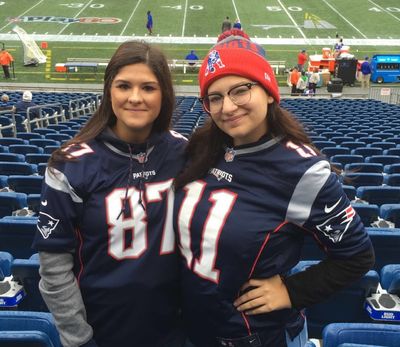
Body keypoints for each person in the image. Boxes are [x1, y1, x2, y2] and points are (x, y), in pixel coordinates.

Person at [173, 30, 375, 347]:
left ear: (268, 91)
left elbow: (356, 256)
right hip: (192, 330)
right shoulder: (201, 148)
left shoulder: (302, 171)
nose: (227, 107)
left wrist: (291, 291)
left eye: (240, 90)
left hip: (255, 337)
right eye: (215, 97)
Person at [32, 40, 187, 347]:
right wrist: (79, 338)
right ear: (109, 90)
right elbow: (54, 267)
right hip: (101, 330)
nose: (135, 98)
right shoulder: (71, 164)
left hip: (177, 327)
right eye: (123, 86)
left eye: (148, 88)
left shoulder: (186, 153)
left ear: (164, 93)